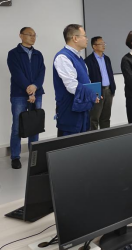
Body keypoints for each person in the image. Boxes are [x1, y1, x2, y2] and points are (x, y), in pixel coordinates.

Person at [7, 27, 46, 170]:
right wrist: (29, 90)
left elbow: (42, 72)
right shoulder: (13, 53)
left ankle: (34, 155)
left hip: (37, 92)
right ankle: (15, 157)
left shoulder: (38, 54)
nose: (32, 37)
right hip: (19, 94)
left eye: (34, 35)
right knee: (17, 126)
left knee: (35, 125)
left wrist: (35, 87)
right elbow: (16, 73)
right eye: (29, 35)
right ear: (21, 36)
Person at [53, 24, 99, 137]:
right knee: (70, 142)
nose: (87, 39)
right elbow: (72, 85)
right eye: (84, 36)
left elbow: (85, 81)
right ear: (75, 38)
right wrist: (91, 95)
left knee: (82, 140)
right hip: (69, 109)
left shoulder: (78, 57)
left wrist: (94, 93)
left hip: (81, 107)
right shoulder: (63, 57)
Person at [85, 36, 116, 130]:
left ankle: (105, 136)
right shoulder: (88, 61)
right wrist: (94, 92)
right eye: (101, 43)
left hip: (108, 90)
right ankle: (94, 137)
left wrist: (113, 89)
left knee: (106, 117)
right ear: (94, 46)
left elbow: (110, 74)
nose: (103, 45)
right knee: (94, 118)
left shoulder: (107, 59)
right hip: (97, 92)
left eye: (104, 43)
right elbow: (87, 78)